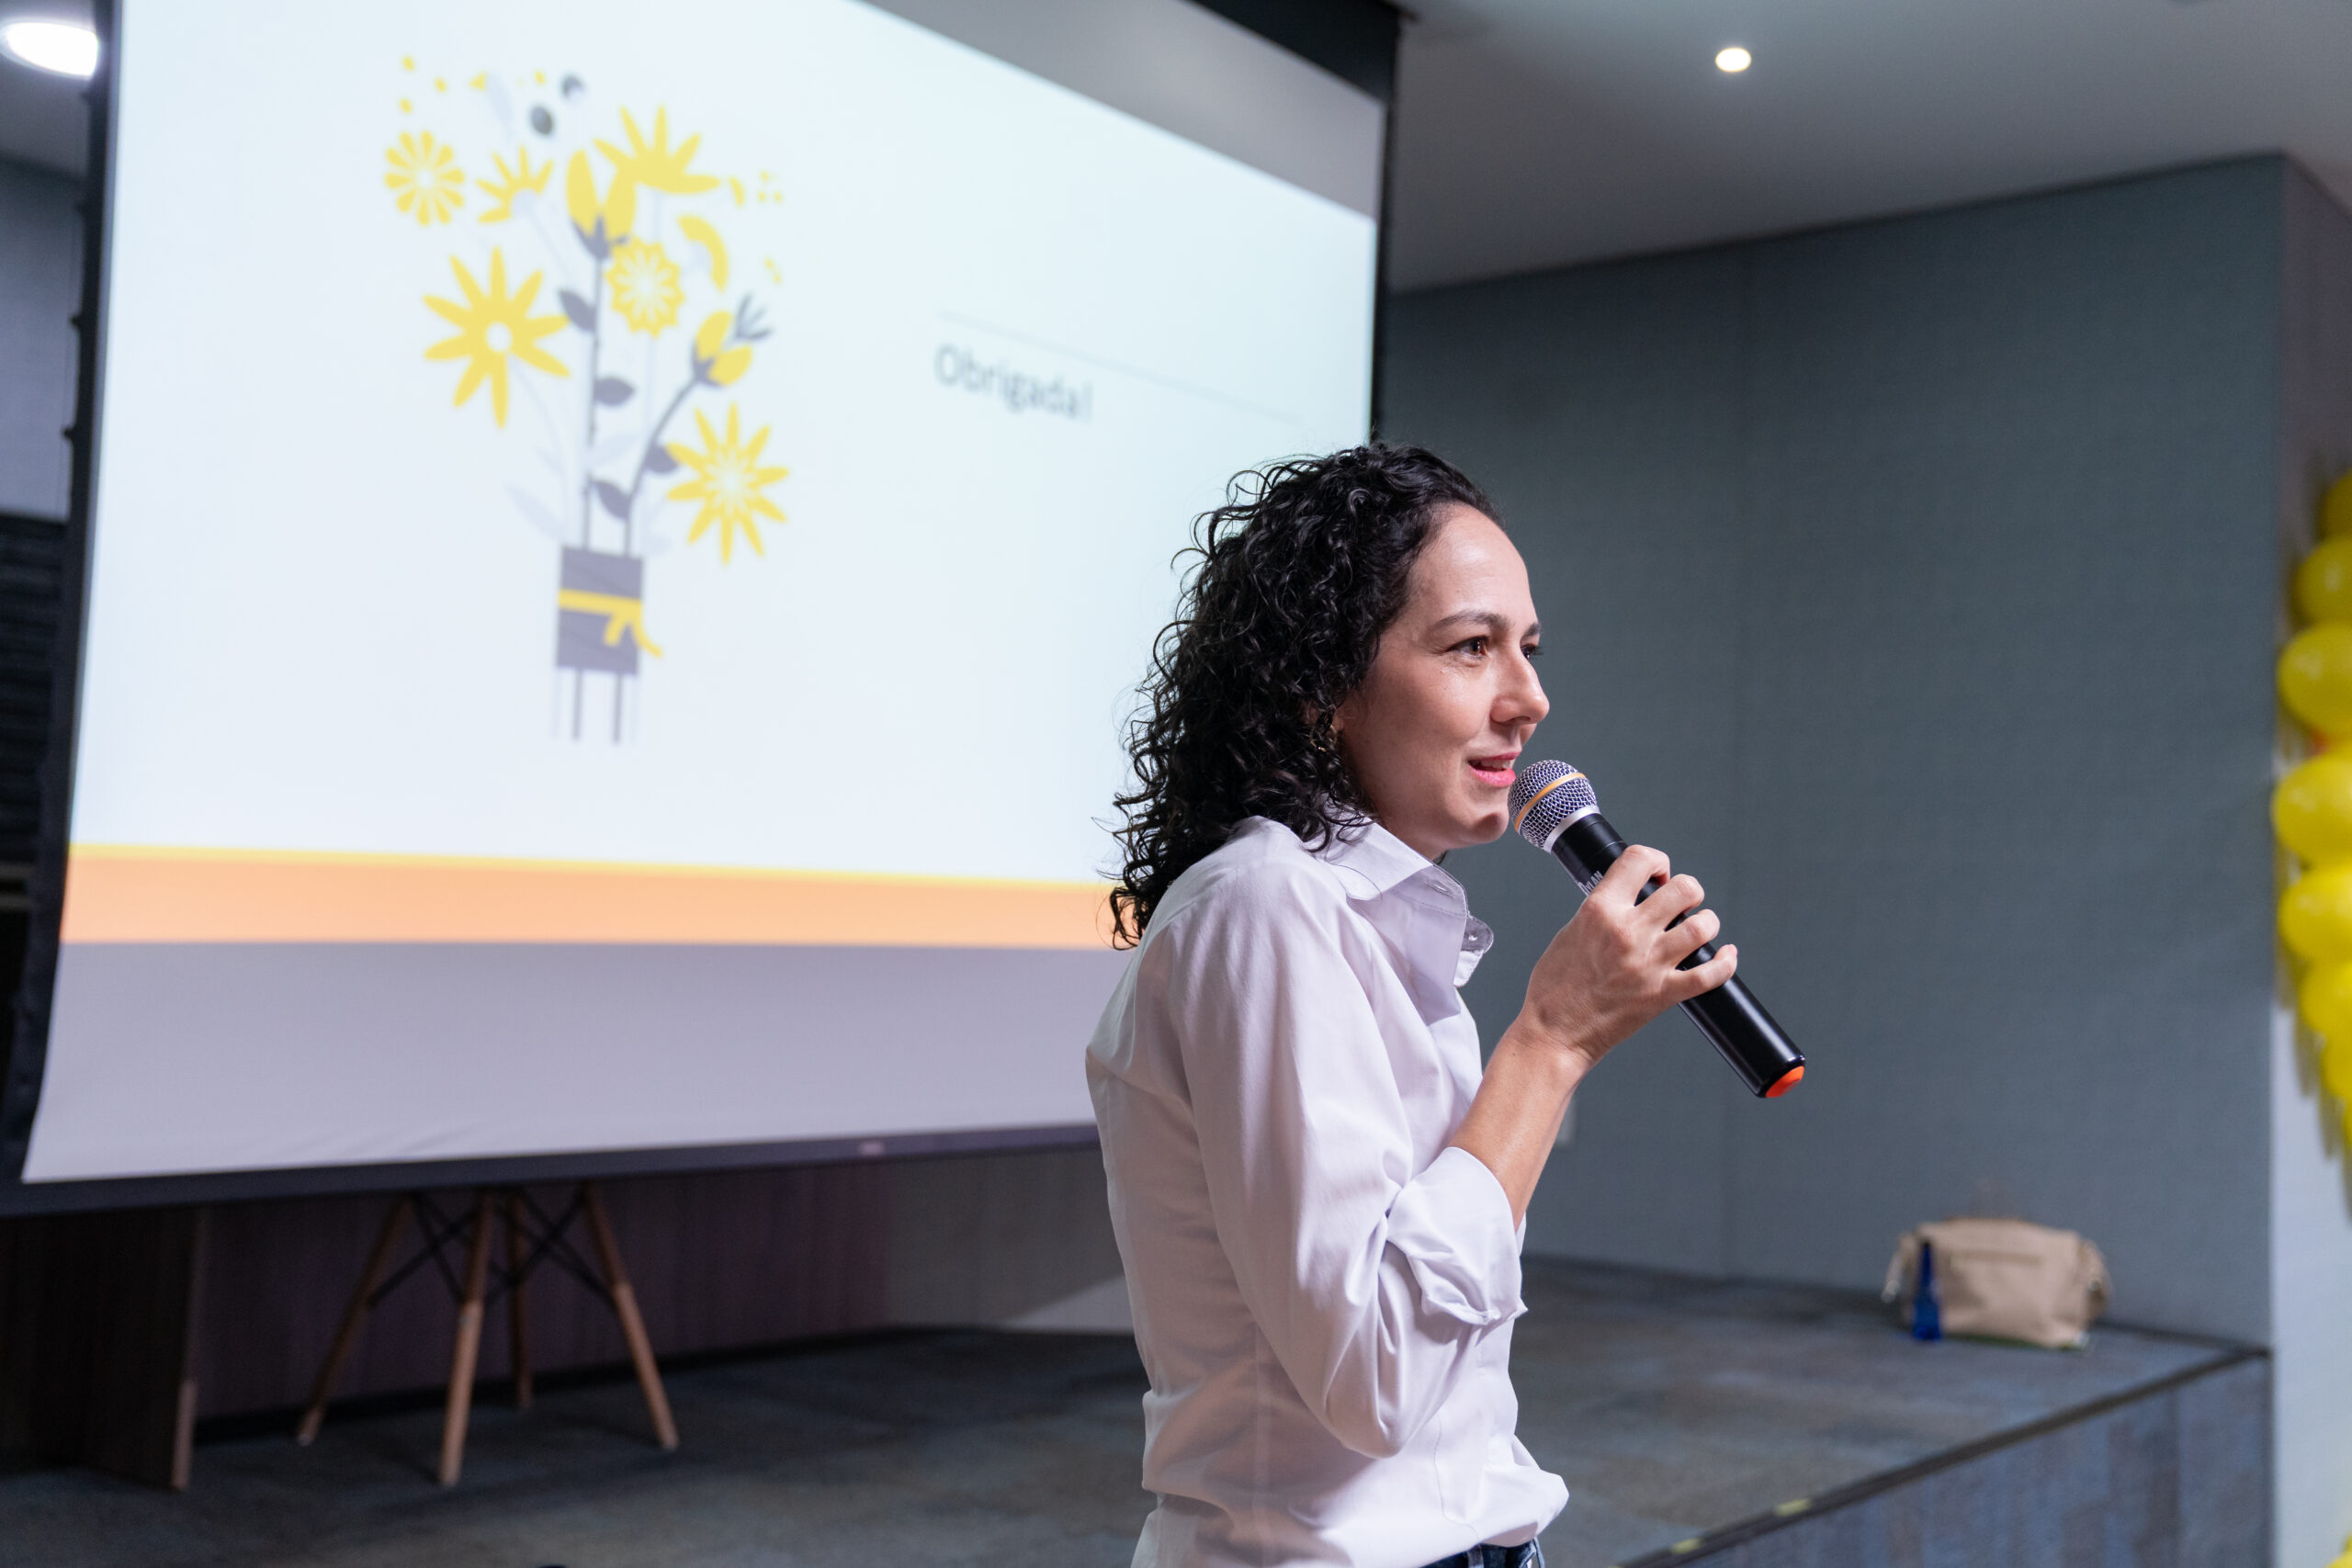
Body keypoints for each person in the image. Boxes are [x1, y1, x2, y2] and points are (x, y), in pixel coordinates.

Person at [1088, 446, 1737, 1568]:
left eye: (1527, 650)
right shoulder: (1264, 909)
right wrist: (1551, 1040)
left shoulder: (1360, 921)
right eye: (1470, 647)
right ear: (1320, 688)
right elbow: (1372, 1377)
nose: (1528, 699)